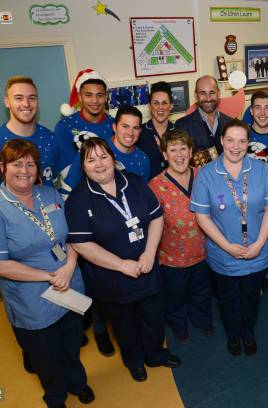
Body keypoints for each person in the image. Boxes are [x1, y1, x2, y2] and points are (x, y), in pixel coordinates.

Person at [0, 139, 94, 407]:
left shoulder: (49, 194)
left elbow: (71, 236)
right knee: (46, 356)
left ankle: (78, 383)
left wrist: (70, 266)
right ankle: (56, 396)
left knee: (72, 344)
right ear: (2, 167)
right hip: (33, 298)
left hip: (69, 285)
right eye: (17, 164)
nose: (25, 170)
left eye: (30, 163)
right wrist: (51, 277)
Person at [64, 138, 180, 382]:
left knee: (154, 317)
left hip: (147, 268)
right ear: (83, 167)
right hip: (112, 279)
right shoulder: (78, 200)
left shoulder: (136, 183)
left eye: (103, 157)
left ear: (113, 159)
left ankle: (155, 354)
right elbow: (82, 244)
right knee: (124, 326)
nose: (99, 164)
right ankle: (135, 361)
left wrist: (149, 253)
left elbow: (157, 218)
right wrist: (120, 265)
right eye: (91, 159)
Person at [190, 120, 268, 356]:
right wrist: (228, 247)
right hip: (223, 255)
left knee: (251, 298)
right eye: (230, 140)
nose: (236, 146)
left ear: (248, 143)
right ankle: (233, 335)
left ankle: (248, 332)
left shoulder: (260, 169)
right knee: (228, 300)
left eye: (242, 141)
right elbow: (202, 217)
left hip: (257, 252)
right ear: (221, 141)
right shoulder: (207, 174)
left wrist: (259, 243)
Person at [148, 129, 213, 343]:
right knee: (176, 296)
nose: (179, 154)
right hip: (172, 259)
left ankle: (202, 320)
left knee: (201, 292)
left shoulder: (204, 175)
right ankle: (179, 325)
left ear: (191, 151)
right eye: (172, 149)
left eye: (183, 148)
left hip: (204, 253)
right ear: (164, 155)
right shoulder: (155, 187)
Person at [0, 76, 59, 199]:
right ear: (7, 102)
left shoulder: (51, 138)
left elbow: (52, 179)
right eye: (19, 98)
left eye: (32, 98)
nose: (26, 104)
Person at [61, 105, 150, 195]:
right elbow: (68, 188)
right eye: (125, 126)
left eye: (135, 128)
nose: (130, 133)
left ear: (140, 131)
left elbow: (141, 194)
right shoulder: (91, 150)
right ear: (114, 127)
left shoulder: (143, 160)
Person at [55, 68, 114, 178]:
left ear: (106, 97)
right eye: (88, 95)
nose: (94, 101)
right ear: (80, 97)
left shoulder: (115, 126)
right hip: (78, 190)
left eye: (99, 95)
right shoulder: (64, 126)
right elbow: (66, 169)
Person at [175, 75, 233, 166]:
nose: (208, 98)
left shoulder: (231, 123)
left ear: (218, 94)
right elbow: (180, 162)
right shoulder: (182, 125)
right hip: (198, 179)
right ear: (196, 95)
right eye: (203, 93)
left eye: (212, 92)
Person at [138, 81, 175, 179]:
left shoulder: (179, 132)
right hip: (147, 189)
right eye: (156, 103)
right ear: (150, 106)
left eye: (164, 103)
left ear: (171, 106)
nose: (160, 107)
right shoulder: (139, 132)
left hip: (175, 190)